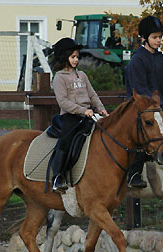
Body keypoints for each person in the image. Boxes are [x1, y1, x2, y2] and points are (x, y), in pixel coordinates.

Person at [125, 16, 163, 188]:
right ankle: (134, 174)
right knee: (142, 132)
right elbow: (142, 91)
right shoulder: (137, 60)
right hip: (140, 107)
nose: (159, 40)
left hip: (158, 107)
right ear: (144, 38)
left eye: (160, 37)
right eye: (155, 37)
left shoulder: (160, 58)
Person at [51, 37, 109, 193]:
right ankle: (57, 177)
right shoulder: (59, 78)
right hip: (70, 116)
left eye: (77, 56)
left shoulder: (82, 75)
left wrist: (100, 108)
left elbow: (92, 95)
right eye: (73, 57)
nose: (76, 60)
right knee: (66, 140)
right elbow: (63, 102)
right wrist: (82, 110)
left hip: (88, 114)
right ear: (64, 58)